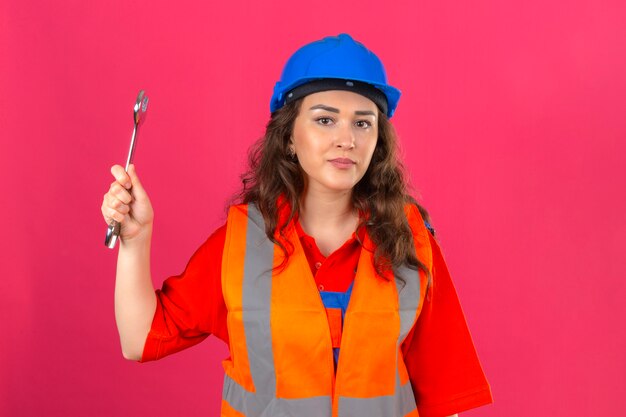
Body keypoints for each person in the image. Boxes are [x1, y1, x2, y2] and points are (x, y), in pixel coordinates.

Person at [101, 33, 493, 417]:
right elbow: (139, 340)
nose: (346, 139)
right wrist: (136, 240)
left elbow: (443, 398)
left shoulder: (411, 243)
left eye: (363, 123)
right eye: (325, 119)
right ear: (289, 135)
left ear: (379, 140)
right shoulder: (240, 245)